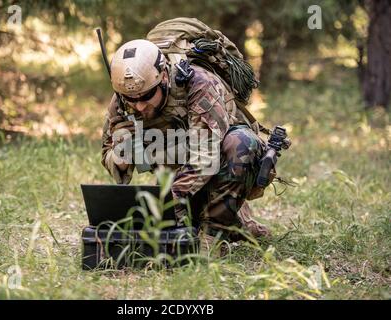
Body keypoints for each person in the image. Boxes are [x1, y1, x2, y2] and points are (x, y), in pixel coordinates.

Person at [101, 39, 272, 255]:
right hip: (177, 177)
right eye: (132, 99)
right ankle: (232, 226)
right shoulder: (121, 100)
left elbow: (205, 158)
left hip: (222, 170)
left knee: (240, 142)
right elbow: (107, 153)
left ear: (163, 77)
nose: (140, 105)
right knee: (177, 231)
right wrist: (122, 154)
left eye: (147, 96)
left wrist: (166, 202)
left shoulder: (198, 84)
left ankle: (215, 233)